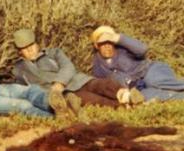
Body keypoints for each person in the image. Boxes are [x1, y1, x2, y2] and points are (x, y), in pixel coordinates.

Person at [12, 29, 142, 112]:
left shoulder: (53, 53)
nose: (29, 50)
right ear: (19, 52)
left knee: (103, 84)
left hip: (78, 80)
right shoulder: (19, 70)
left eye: (31, 45)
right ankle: (124, 107)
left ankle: (127, 96)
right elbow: (26, 91)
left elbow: (68, 67)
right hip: (66, 94)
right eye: (25, 48)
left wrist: (59, 83)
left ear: (37, 44)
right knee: (89, 99)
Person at [90, 25, 184, 102]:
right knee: (143, 96)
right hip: (136, 87)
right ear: (96, 46)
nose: (107, 47)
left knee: (153, 81)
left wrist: (117, 38)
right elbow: (103, 85)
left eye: (109, 43)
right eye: (102, 44)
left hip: (150, 70)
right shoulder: (97, 65)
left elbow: (142, 50)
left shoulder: (123, 49)